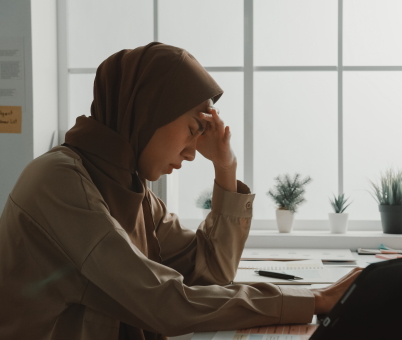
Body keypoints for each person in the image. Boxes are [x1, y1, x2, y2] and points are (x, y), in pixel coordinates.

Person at [0, 42, 360, 340]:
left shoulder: (130, 189)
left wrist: (225, 167)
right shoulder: (59, 181)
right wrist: (313, 299)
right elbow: (162, 302)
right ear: (147, 112)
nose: (192, 152)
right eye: (191, 130)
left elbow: (212, 269)